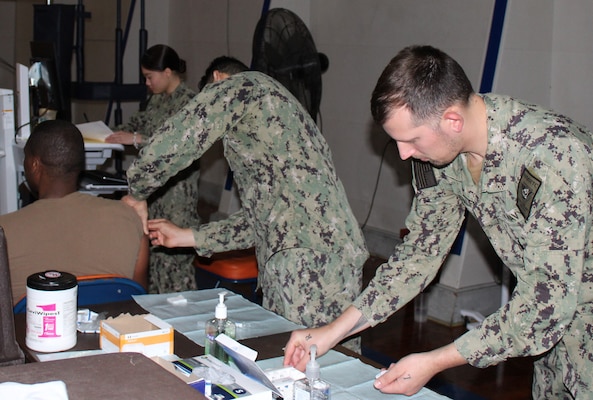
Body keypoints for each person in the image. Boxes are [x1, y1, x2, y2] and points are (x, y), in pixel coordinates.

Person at [282, 44, 593, 399]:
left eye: (411, 139)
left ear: (452, 121)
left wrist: (435, 361)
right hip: (552, 340)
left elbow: (544, 305)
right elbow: (418, 256)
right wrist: (332, 331)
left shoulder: (553, 159)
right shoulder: (439, 155)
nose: (403, 154)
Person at [122, 60, 369, 337]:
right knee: (330, 367)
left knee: (300, 365)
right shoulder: (275, 115)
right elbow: (265, 221)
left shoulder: (243, 86)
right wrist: (187, 237)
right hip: (328, 259)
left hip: (307, 265)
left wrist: (137, 190)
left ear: (218, 79)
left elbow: (182, 135)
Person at [0, 120, 149, 305]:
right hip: (110, 332)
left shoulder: (4, 231)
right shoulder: (130, 219)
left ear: (34, 165)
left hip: (34, 333)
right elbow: (139, 303)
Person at [105, 44, 200, 293]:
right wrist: (111, 133)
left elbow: (177, 146)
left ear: (167, 72)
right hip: (154, 192)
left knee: (175, 262)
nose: (147, 83)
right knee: (155, 256)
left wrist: (135, 139)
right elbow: (136, 124)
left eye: (150, 77)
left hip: (177, 195)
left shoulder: (189, 102)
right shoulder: (157, 100)